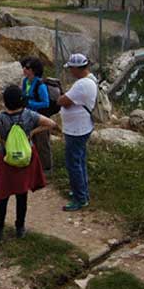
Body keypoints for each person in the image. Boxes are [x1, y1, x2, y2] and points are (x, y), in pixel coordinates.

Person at [0, 84, 57, 244]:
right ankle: (20, 228)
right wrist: (31, 133)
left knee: (3, 195)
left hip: (7, 160)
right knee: (21, 193)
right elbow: (51, 124)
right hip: (26, 159)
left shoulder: (0, 118)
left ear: (5, 102)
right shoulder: (29, 115)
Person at [57, 53, 97, 212]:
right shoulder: (92, 79)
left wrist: (61, 98)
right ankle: (81, 189)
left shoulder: (81, 85)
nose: (70, 72)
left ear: (77, 68)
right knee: (79, 160)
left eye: (71, 69)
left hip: (76, 130)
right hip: (83, 126)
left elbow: (63, 101)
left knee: (73, 163)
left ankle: (80, 198)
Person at [21, 56, 54, 173]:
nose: (24, 69)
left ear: (34, 70)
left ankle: (47, 169)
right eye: (23, 66)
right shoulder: (25, 81)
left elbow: (46, 103)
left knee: (42, 143)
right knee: (31, 142)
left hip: (41, 118)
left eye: (27, 67)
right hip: (29, 116)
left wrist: (29, 103)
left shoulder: (40, 85)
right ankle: (35, 166)